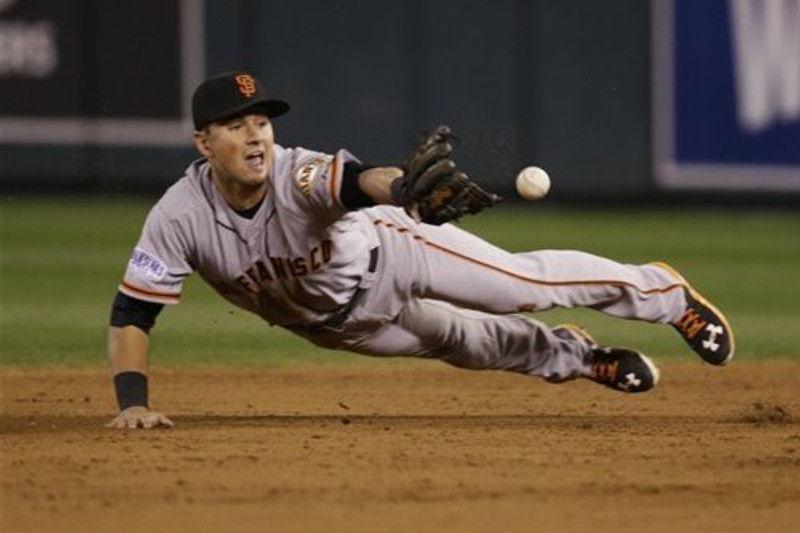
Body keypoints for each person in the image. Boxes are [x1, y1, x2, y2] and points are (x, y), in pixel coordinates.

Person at [106, 71, 734, 429]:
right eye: (237, 124)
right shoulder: (179, 216)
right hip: (339, 326)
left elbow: (358, 182)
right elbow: (134, 312)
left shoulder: (295, 174)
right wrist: (133, 406)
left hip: (395, 248)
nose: (256, 135)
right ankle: (575, 357)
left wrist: (404, 188)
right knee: (472, 345)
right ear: (202, 142)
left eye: (262, 122)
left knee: (520, 286)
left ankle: (664, 293)